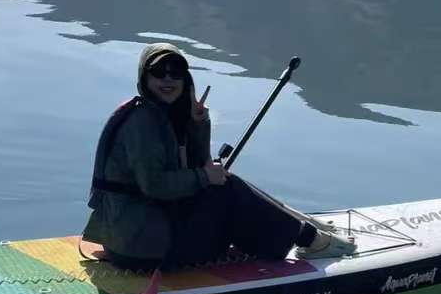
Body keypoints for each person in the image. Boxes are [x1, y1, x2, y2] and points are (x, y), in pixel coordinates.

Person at [82, 42, 356, 270]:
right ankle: (310, 239)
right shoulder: (141, 122)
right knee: (227, 188)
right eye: (158, 72)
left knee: (223, 182)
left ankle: (300, 227)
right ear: (144, 77)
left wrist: (198, 124)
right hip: (140, 249)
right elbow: (155, 186)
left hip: (139, 237)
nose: (167, 79)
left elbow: (199, 166)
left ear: (185, 78)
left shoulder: (164, 117)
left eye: (175, 72)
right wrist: (205, 175)